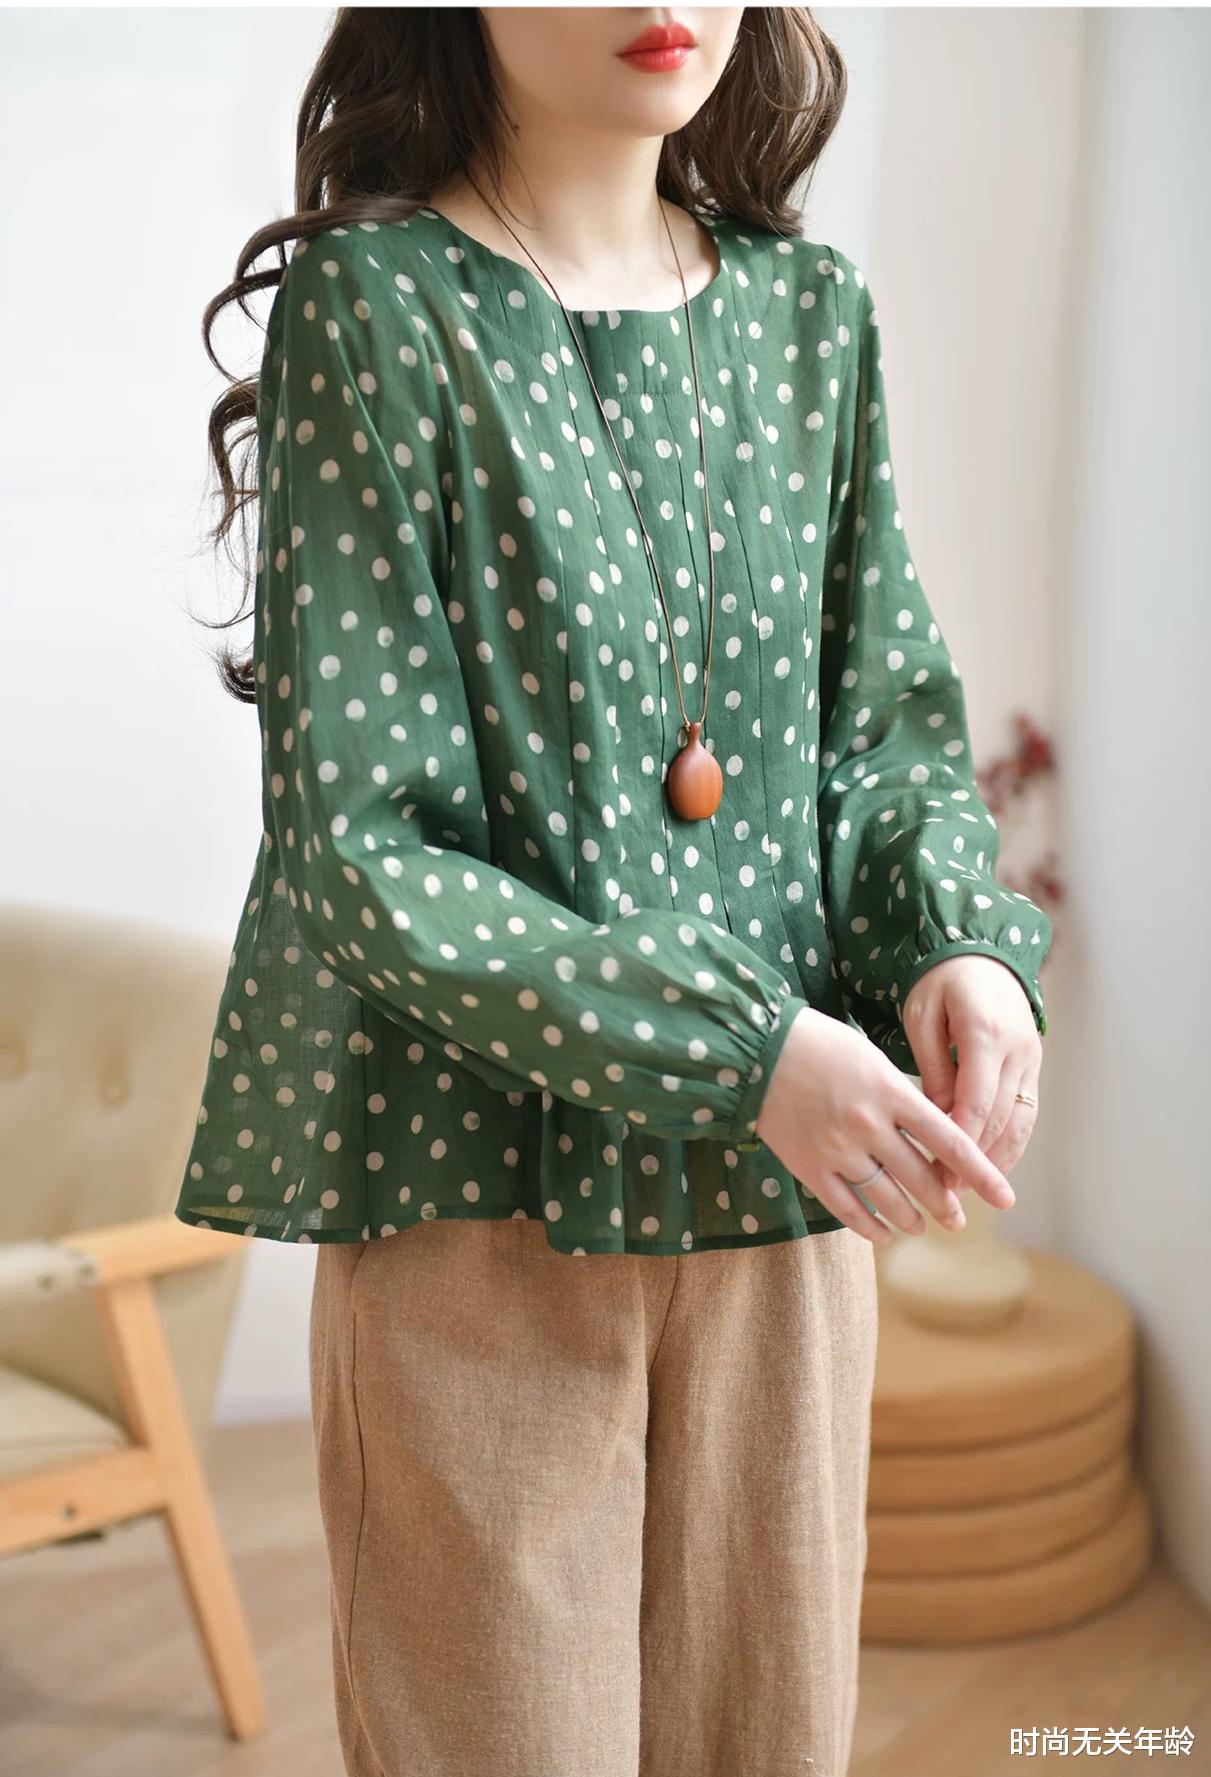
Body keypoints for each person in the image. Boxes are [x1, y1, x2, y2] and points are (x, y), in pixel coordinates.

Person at [176, 9, 1052, 1774]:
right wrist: (743, 1047)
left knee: (769, 1739)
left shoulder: (810, 319)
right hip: (477, 1207)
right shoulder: (379, 313)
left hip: (788, 1212)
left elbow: (880, 723)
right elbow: (365, 848)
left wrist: (959, 940)